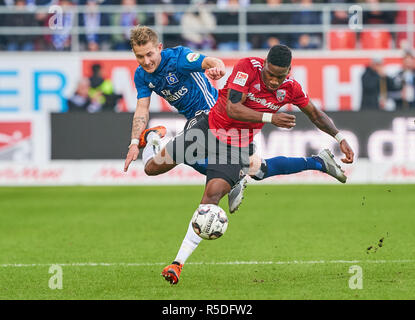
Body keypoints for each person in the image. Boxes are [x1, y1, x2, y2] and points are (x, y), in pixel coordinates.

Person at [138, 44, 355, 284]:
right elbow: (232, 108)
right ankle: (154, 137)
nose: (273, 81)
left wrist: (340, 137)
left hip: (234, 146)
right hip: (206, 129)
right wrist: (270, 117)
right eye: (270, 74)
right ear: (264, 64)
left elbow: (315, 114)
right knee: (152, 168)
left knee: (210, 201)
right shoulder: (247, 67)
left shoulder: (291, 88)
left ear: (289, 71)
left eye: (279, 76)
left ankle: (177, 263)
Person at [124, 26, 347, 214]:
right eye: (139, 56)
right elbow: (142, 108)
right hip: (203, 122)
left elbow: (208, 60)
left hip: (210, 115)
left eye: (150, 54)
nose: (146, 61)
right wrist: (134, 142)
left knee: (187, 154)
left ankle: (232, 176)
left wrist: (216, 67)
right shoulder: (142, 75)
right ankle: (318, 162)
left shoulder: (178, 58)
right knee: (257, 170)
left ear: (159, 48)